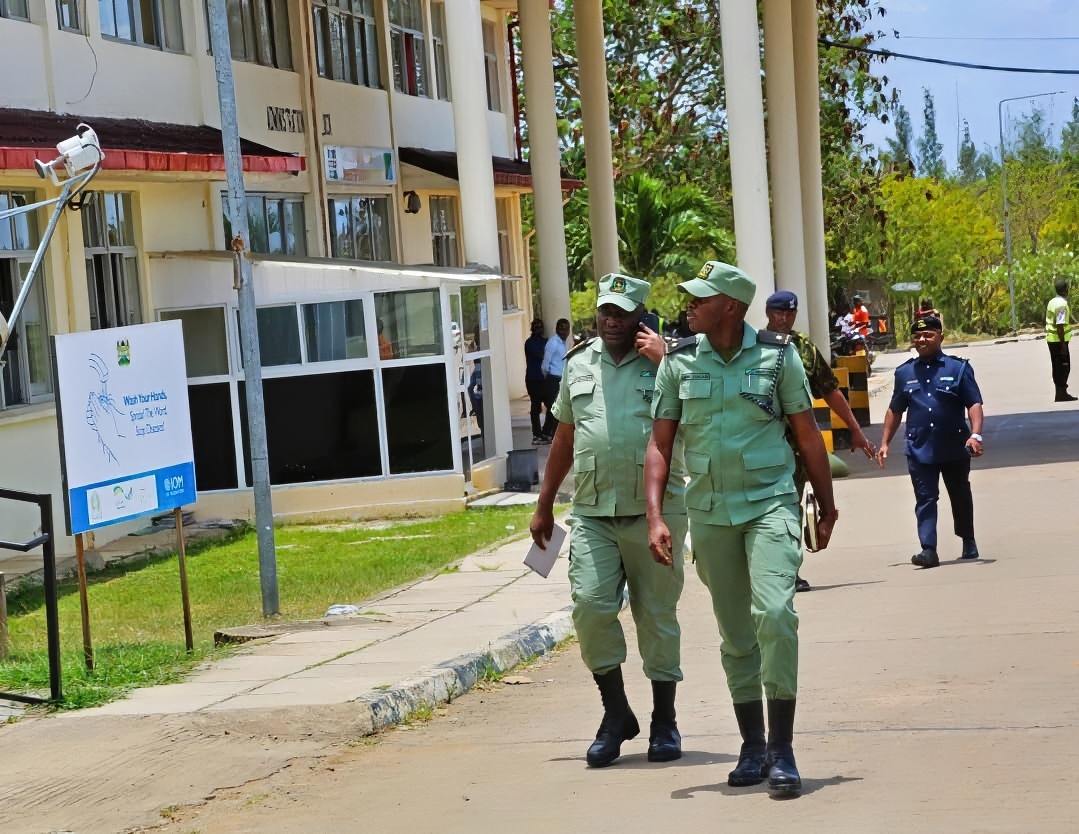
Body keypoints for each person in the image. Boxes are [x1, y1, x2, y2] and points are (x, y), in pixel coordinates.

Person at [645, 262, 837, 798]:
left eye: (699, 299)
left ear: (729, 306)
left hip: (770, 504)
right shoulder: (678, 362)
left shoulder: (779, 357)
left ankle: (782, 749)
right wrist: (656, 516)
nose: (689, 305)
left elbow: (808, 434)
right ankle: (753, 745)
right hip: (710, 513)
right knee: (735, 634)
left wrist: (827, 506)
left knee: (775, 614)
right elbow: (660, 443)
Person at [530, 274, 686, 769]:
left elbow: (703, 414)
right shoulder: (578, 363)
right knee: (591, 607)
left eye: (622, 312)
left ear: (641, 314)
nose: (612, 320)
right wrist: (545, 503)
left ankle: (664, 720)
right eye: (605, 312)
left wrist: (667, 362)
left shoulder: (668, 361)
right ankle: (616, 714)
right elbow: (564, 437)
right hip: (594, 511)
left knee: (656, 615)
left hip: (655, 513)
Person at [763, 290, 877, 592]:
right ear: (767, 313)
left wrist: (855, 429)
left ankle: (789, 571)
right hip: (758, 443)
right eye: (778, 312)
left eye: (789, 313)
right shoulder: (753, 345)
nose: (784, 318)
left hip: (795, 446)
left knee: (790, 506)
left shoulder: (803, 348)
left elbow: (829, 390)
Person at [876, 316, 984, 567]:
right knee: (925, 498)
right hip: (920, 447)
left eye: (928, 335)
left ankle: (968, 539)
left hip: (954, 445)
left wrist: (976, 434)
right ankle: (928, 549)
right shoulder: (904, 373)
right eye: (917, 336)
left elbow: (974, 403)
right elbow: (895, 409)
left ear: (940, 337)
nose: (922, 340)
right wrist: (884, 443)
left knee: (959, 494)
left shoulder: (958, 369)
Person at [538, 318, 571, 443]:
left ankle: (548, 433)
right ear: (557, 329)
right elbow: (545, 364)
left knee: (557, 408)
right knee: (554, 408)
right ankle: (550, 434)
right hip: (553, 379)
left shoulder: (563, 343)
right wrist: (548, 377)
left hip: (560, 379)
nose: (564, 332)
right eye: (561, 329)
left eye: (566, 329)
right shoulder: (553, 343)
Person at [524, 320, 556, 442]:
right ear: (532, 329)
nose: (539, 329)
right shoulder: (530, 343)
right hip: (533, 379)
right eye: (536, 327)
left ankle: (546, 431)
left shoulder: (545, 341)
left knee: (552, 406)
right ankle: (537, 433)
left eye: (541, 327)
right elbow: (542, 355)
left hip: (545, 379)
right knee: (536, 406)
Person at [1046, 279, 1076, 402]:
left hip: (1052, 339)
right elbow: (1059, 325)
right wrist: (1063, 345)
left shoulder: (1052, 301)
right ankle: (1061, 393)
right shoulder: (1061, 305)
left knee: (1057, 367)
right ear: (1065, 290)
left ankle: (1059, 392)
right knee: (1063, 367)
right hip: (1058, 340)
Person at [467, 359, 484, 433]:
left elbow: (470, 388)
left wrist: (473, 403)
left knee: (481, 423)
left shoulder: (475, 372)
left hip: (479, 398)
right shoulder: (487, 369)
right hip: (487, 398)